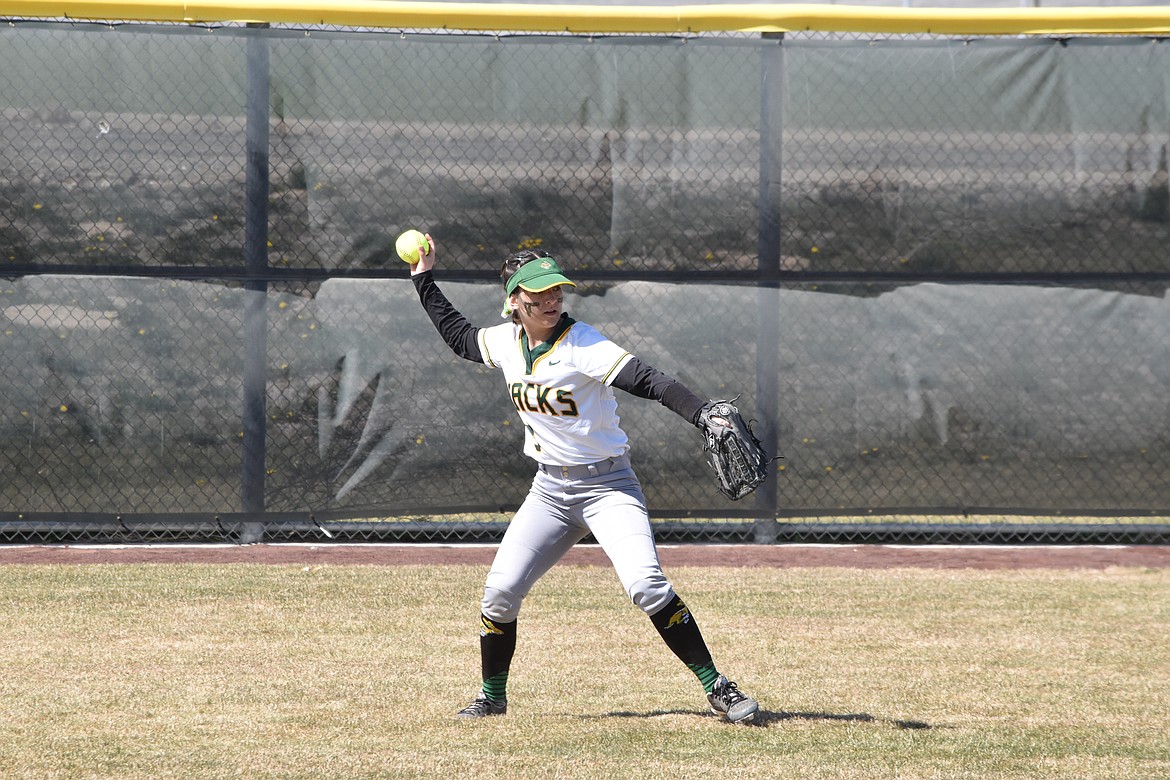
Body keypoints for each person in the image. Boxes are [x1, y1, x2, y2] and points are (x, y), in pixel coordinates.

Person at [408, 233, 759, 724]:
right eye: (537, 293)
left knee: (647, 586)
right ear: (514, 300)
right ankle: (492, 696)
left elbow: (650, 380)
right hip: (550, 491)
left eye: (555, 290)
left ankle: (717, 686)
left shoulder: (581, 342)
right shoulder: (506, 342)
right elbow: (461, 337)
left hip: (608, 487)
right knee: (499, 594)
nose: (550, 299)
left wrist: (701, 413)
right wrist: (424, 278)